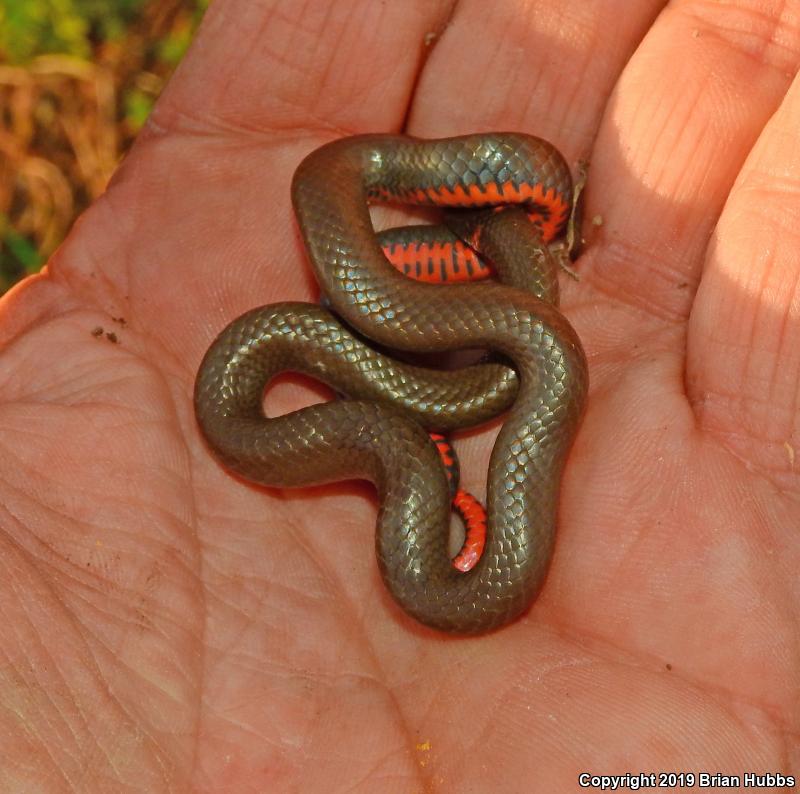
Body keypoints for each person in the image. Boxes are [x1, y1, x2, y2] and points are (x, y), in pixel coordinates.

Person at [1, 1, 797, 789]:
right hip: (461, 354)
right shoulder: (457, 371)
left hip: (478, 342)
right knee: (516, 353)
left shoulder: (509, 345)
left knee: (527, 350)